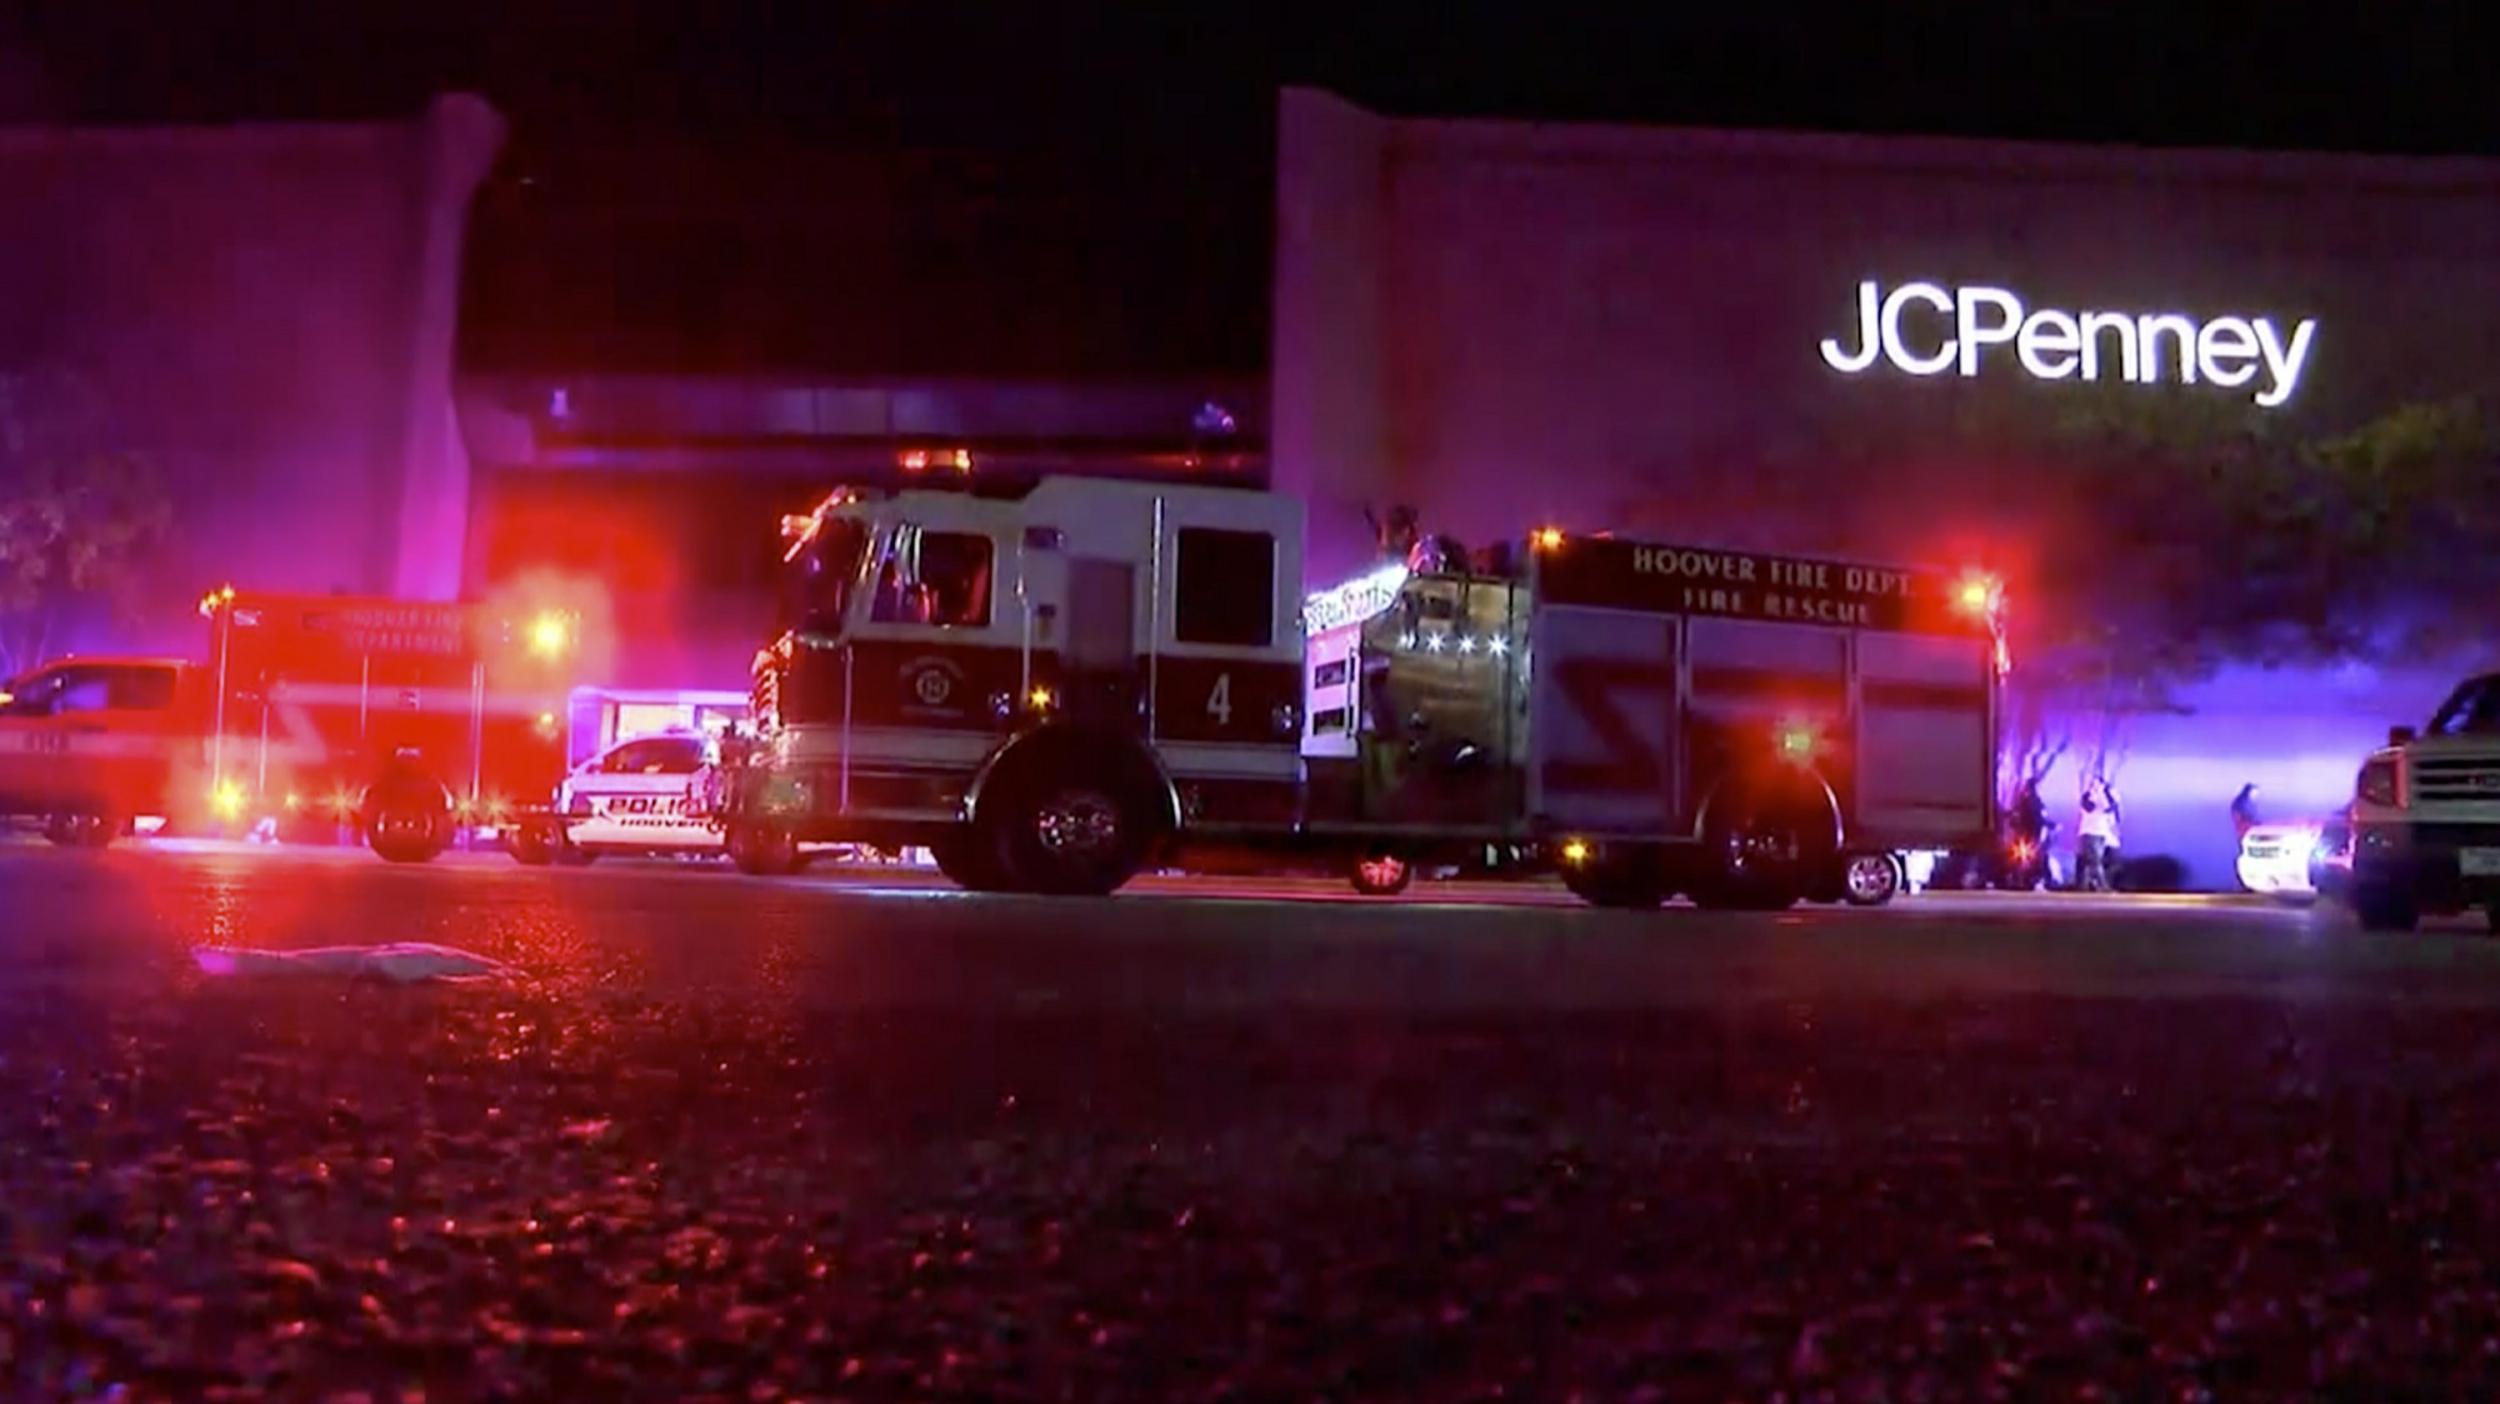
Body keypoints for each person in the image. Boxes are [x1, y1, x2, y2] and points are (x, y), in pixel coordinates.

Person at [2077, 773, 2122, 892]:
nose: (2095, 785)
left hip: (2101, 832)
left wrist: (2103, 794)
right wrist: (2096, 794)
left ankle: (2085, 886)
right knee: (2094, 860)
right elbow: (2089, 807)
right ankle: (2103, 886)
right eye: (2093, 783)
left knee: (2093, 861)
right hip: (2089, 832)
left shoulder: (2104, 796)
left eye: (2098, 783)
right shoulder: (2087, 796)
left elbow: (2109, 808)